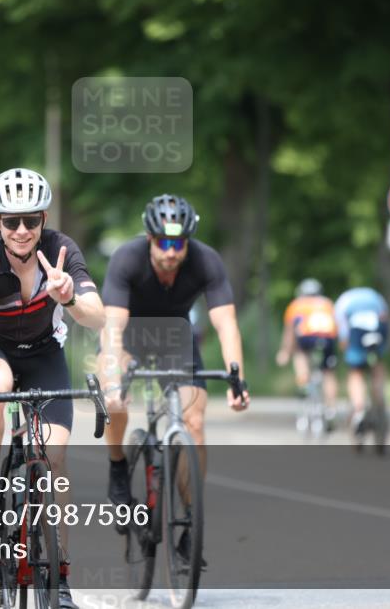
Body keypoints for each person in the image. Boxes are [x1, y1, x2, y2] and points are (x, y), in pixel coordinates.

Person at [0, 168, 105, 609]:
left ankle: (60, 580)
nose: (22, 230)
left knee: (55, 460)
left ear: (44, 219)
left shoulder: (62, 250)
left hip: (44, 352)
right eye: (11, 221)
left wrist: (69, 297)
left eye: (31, 221)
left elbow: (97, 317)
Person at [98, 194, 249, 568]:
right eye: (163, 242)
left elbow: (226, 323)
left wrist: (237, 378)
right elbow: (112, 327)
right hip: (130, 337)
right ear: (150, 238)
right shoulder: (126, 258)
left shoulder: (206, 260)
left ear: (188, 241)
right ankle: (118, 467)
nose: (170, 251)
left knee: (194, 422)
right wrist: (115, 375)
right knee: (113, 400)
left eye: (178, 243)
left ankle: (190, 525)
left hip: (178, 341)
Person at [276, 278, 339, 430]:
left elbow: (290, 332)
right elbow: (338, 325)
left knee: (300, 354)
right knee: (328, 373)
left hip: (307, 338)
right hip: (327, 339)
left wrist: (285, 352)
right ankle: (330, 408)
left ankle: (303, 380)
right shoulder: (328, 304)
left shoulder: (296, 305)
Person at [333, 287, 390, 448]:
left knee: (356, 372)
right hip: (377, 329)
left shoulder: (343, 301)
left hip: (357, 331)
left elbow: (342, 328)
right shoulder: (376, 297)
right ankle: (379, 394)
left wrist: (345, 346)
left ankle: (359, 411)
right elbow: (385, 318)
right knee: (377, 365)